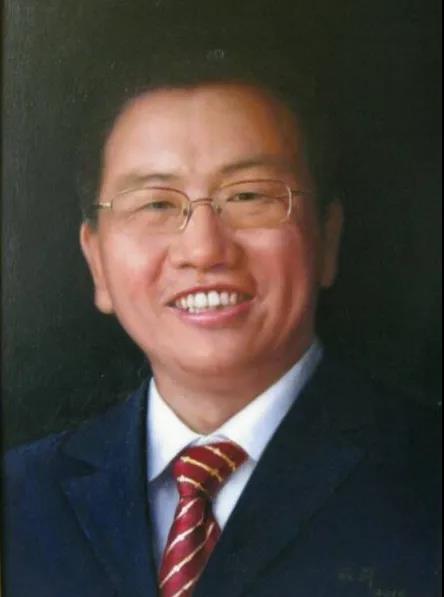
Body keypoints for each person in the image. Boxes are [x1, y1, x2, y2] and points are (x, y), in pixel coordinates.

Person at [4, 67, 440, 597]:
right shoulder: (18, 497)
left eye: (249, 196)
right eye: (156, 204)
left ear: (327, 238)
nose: (204, 250)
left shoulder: (425, 475)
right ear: (96, 261)